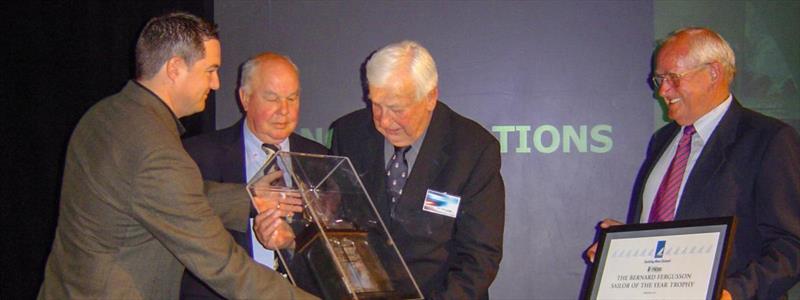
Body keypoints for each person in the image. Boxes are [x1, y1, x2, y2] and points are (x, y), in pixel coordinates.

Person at [37, 12, 315, 300]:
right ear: (175, 68)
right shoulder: (156, 149)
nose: (217, 83)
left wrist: (248, 199)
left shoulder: (106, 114)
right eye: (210, 70)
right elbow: (223, 264)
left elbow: (159, 195)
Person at [585, 27, 800, 299]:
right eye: (659, 79)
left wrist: (733, 292)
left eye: (673, 78)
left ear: (713, 73)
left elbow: (792, 244)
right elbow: (670, 233)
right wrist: (624, 245)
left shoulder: (768, 139)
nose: (662, 90)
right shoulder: (663, 140)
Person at [329, 40, 505, 299]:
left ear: (430, 97)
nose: (384, 121)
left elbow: (479, 258)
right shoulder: (349, 133)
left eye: (397, 109)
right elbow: (336, 224)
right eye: (375, 104)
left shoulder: (473, 149)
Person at [179, 52, 327, 299]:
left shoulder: (321, 160)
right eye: (272, 98)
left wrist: (293, 244)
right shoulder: (198, 156)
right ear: (245, 98)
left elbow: (332, 255)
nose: (284, 110)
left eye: (292, 98)